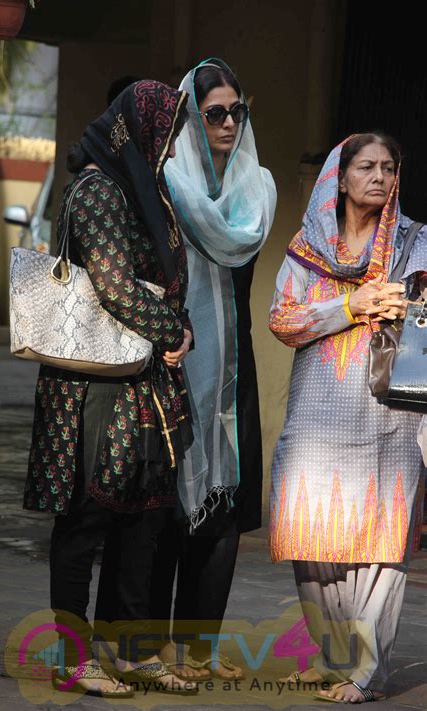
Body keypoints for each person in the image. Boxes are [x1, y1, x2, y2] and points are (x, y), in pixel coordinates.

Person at [24, 80, 199, 697]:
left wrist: (176, 329)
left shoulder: (142, 193)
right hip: (94, 383)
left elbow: (166, 279)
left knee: (143, 516)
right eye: (167, 137)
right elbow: (114, 285)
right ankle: (72, 658)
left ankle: (128, 648)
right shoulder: (96, 190)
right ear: (139, 133)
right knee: (88, 515)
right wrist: (172, 327)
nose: (171, 150)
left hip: (143, 379)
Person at [268, 133, 426, 703]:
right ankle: (331, 655)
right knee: (313, 531)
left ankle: (363, 670)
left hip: (389, 412)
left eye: (389, 167)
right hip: (317, 412)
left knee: (380, 540)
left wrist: (405, 307)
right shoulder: (307, 246)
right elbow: (284, 321)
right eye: (367, 166)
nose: (379, 177)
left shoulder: (416, 244)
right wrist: (351, 306)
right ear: (341, 176)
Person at [150, 58, 276, 680]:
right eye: (214, 113)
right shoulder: (168, 184)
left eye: (237, 111)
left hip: (233, 370)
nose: (228, 123)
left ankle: (200, 650)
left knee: (225, 506)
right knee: (171, 506)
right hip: (174, 362)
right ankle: (155, 647)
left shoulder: (258, 189)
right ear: (192, 121)